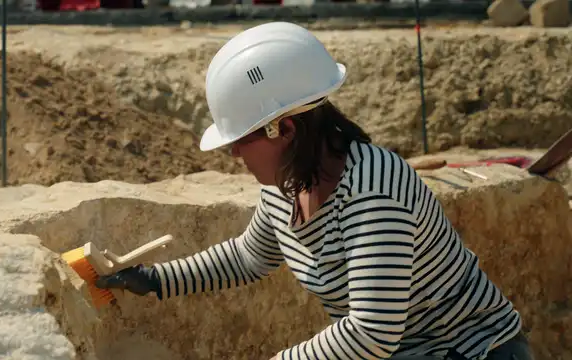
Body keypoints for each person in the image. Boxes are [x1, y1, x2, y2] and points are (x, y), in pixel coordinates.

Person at [95, 22, 534, 360]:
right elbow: (248, 257)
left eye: (238, 141)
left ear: (283, 128)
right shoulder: (286, 187)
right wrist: (154, 279)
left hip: (473, 351)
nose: (231, 154)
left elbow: (372, 331)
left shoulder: (373, 189)